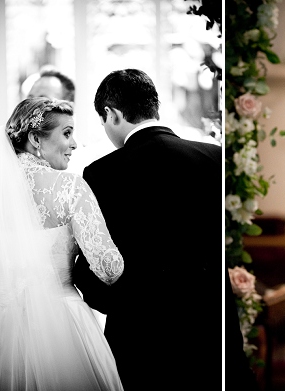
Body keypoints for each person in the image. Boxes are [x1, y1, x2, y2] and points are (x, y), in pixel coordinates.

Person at [71, 69, 221, 389]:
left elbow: (91, 266)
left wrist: (119, 305)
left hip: (138, 336)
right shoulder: (213, 158)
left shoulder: (102, 173)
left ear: (111, 114)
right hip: (206, 330)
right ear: (154, 107)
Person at [0, 97, 123, 389]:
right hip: (62, 325)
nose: (75, 143)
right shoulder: (70, 187)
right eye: (67, 133)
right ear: (36, 138)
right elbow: (109, 267)